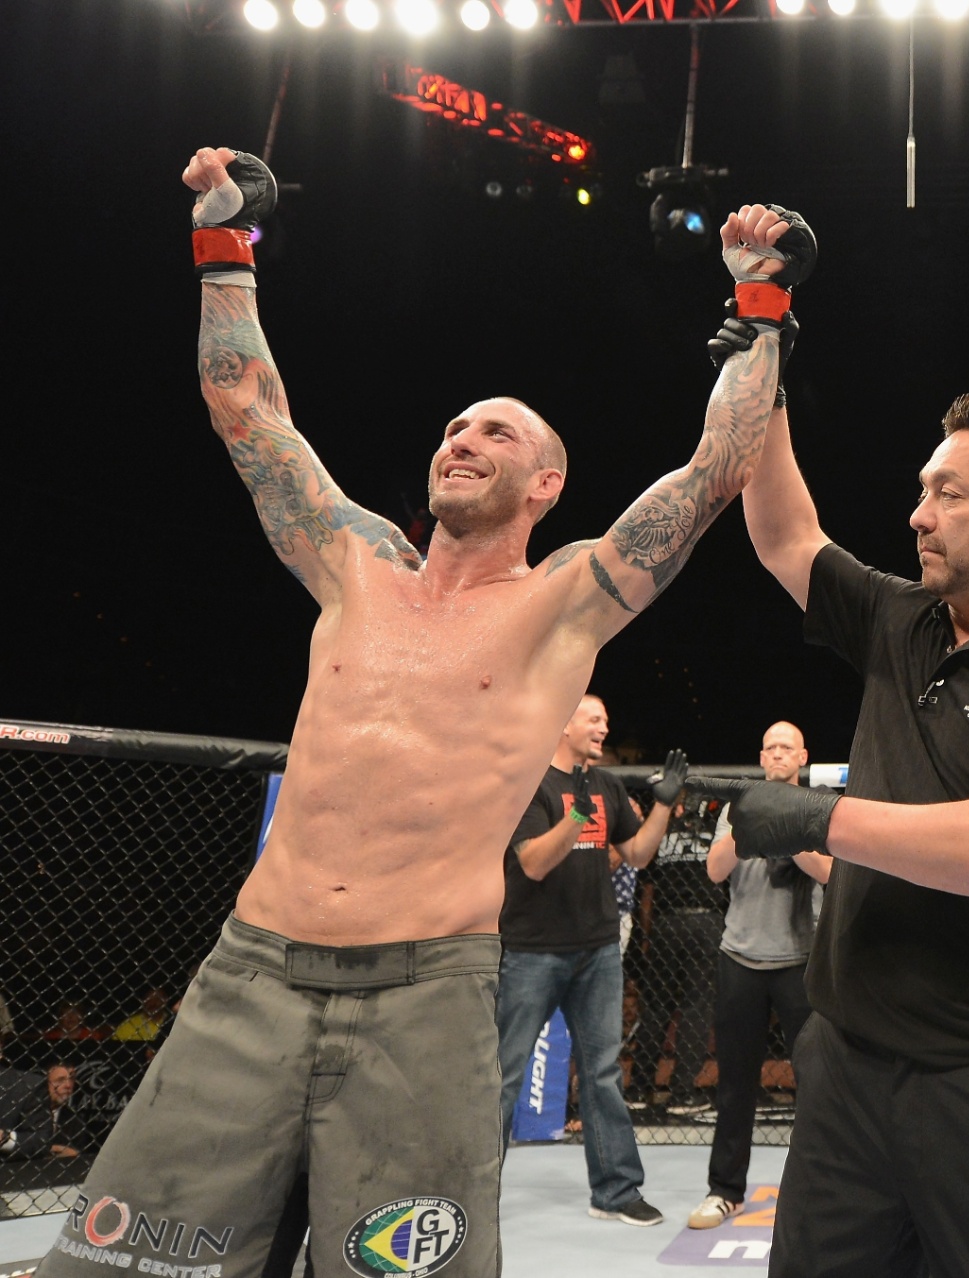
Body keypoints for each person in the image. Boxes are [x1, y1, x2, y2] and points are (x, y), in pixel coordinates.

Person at [35, 145, 813, 1278]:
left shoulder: (563, 604)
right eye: (457, 427)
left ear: (546, 484)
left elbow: (714, 472)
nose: (464, 440)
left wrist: (763, 300)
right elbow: (244, 410)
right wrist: (225, 241)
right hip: (253, 968)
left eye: (498, 434)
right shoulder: (355, 565)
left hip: (425, 991)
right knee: (127, 1265)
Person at [685, 378, 969, 1276]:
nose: (918, 515)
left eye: (948, 493)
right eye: (923, 489)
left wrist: (823, 816)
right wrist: (771, 362)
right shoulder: (903, 623)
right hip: (846, 1077)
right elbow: (785, 536)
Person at [496, 694, 680, 1225]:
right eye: (594, 718)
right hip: (533, 951)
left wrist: (664, 804)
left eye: (605, 718)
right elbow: (532, 863)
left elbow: (639, 853)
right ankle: (472, 1191)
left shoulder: (606, 784)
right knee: (505, 1075)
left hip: (596, 948)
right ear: (564, 723)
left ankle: (617, 1193)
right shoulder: (530, 784)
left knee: (602, 1074)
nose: (604, 726)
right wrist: (575, 815)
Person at [687, 720, 833, 1230]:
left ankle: (824, 1191)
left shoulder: (819, 806)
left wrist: (787, 832)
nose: (776, 755)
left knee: (818, 1081)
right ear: (762, 755)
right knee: (736, 1082)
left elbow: (833, 873)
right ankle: (725, 1190)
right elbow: (714, 870)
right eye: (769, 747)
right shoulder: (738, 806)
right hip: (741, 958)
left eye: (785, 747)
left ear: (802, 757)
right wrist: (753, 822)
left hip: (799, 960)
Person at [631, 796, 729, 1112]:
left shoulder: (663, 827)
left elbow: (648, 891)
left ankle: (638, 1089)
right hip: (706, 920)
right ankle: (682, 1093)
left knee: (656, 1007)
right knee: (696, 1007)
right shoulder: (719, 826)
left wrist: (648, 935)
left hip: (667, 921)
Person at [0, 1063, 80, 1160]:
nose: (68, 1085)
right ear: (46, 1082)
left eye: (71, 1079)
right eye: (60, 1080)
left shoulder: (74, 1120)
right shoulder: (20, 1106)